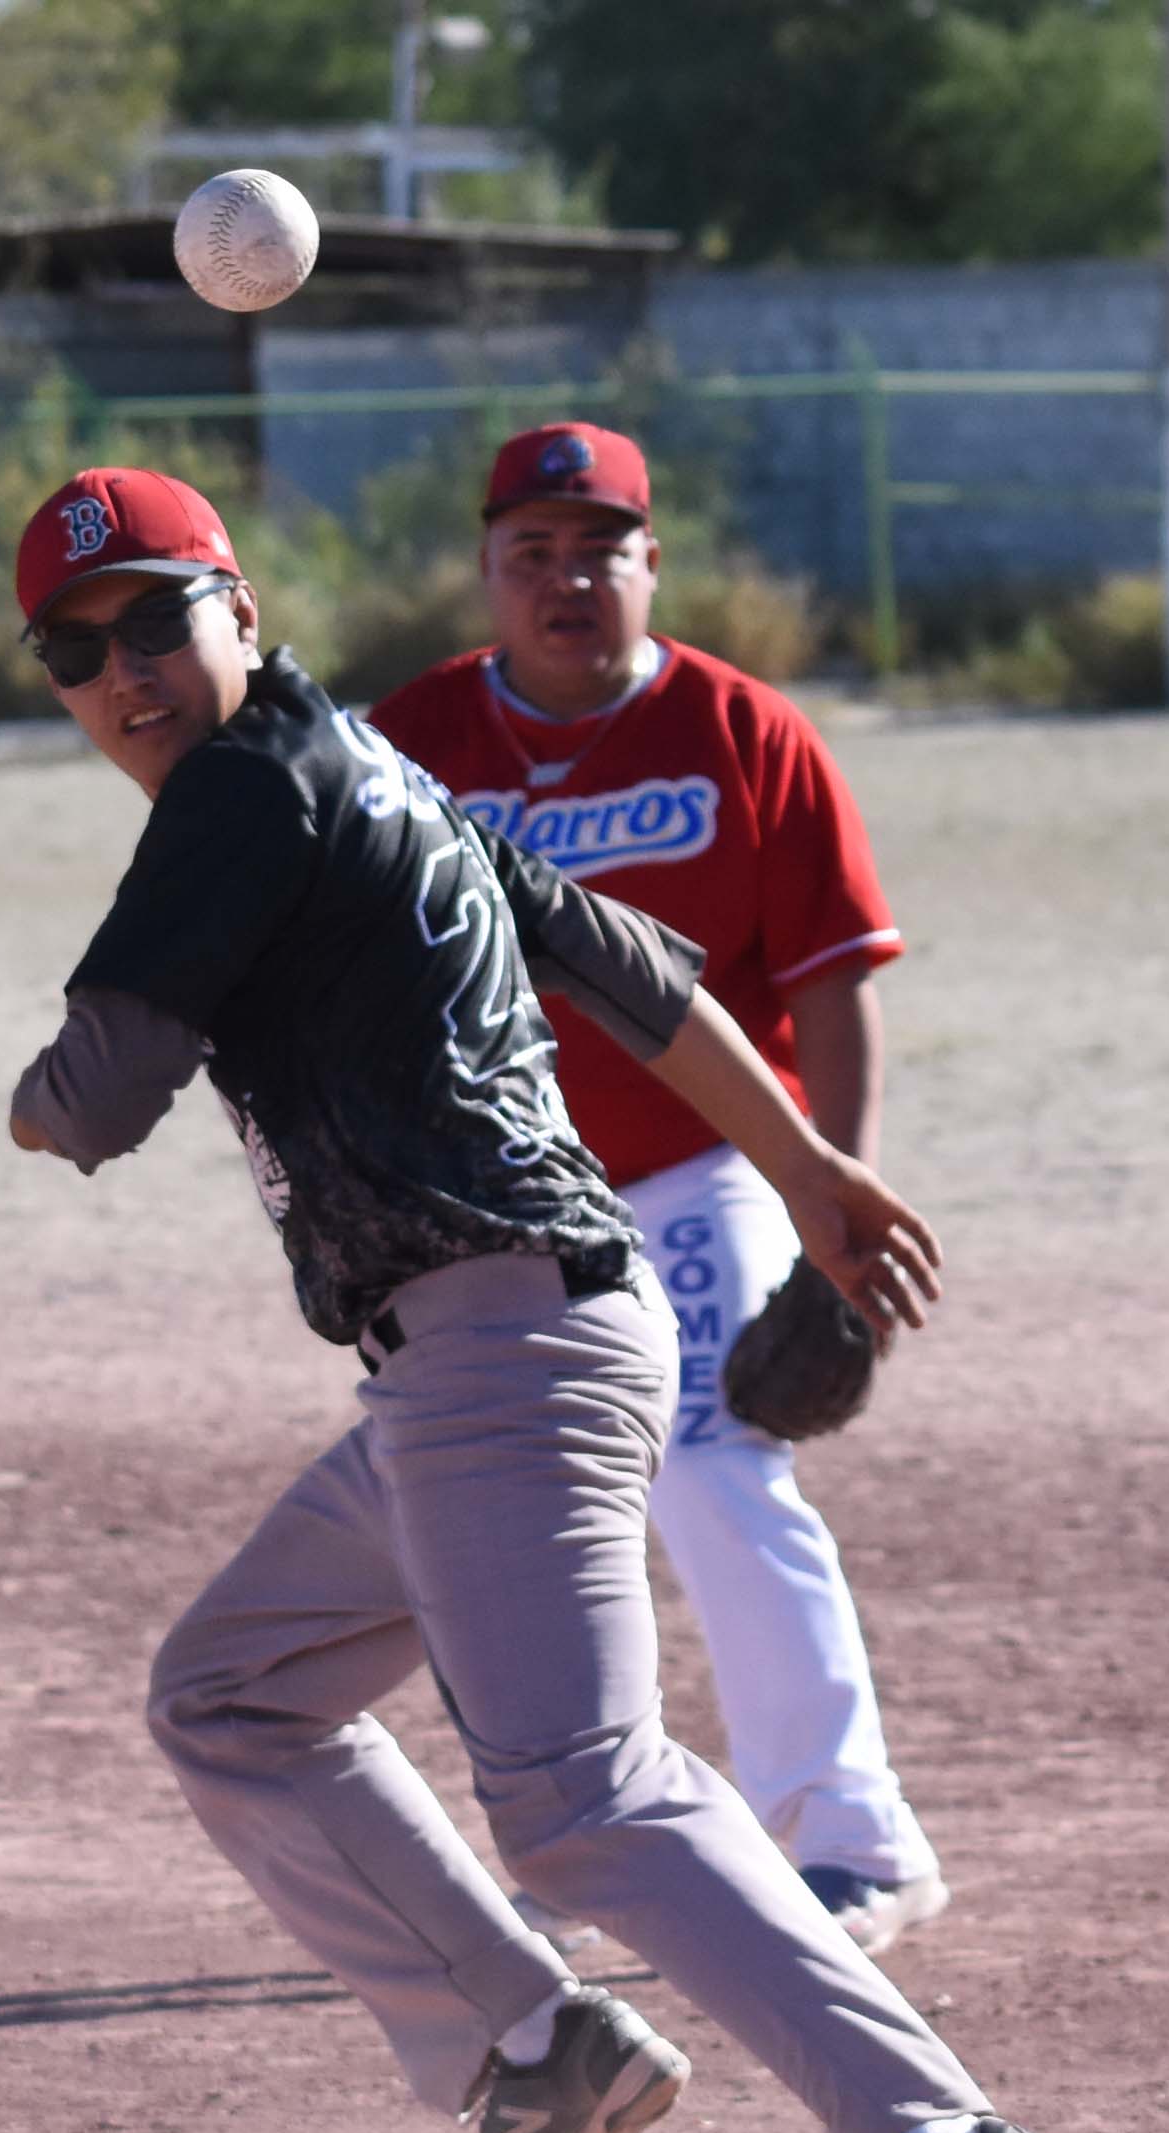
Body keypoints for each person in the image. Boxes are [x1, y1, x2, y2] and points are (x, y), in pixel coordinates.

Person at [0, 465, 1094, 2133]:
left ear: (232, 603)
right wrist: (812, 1168)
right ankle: (535, 2045)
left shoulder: (249, 791)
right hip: (473, 1360)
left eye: (152, 619)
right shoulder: (378, 773)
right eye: (74, 652)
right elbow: (638, 976)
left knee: (582, 1795)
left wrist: (31, 1103)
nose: (123, 674)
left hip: (497, 1354)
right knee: (231, 1694)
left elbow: (94, 1097)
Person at [371, 424, 952, 1953]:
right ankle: (581, 1848)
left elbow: (830, 985)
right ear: (489, 575)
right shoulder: (408, 739)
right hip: (498, 1197)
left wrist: (835, 1199)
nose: (567, 581)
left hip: (706, 1167)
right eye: (532, 554)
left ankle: (851, 1839)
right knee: (488, 1511)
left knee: (710, 1460)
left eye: (599, 549)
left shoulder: (745, 733)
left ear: (651, 566)